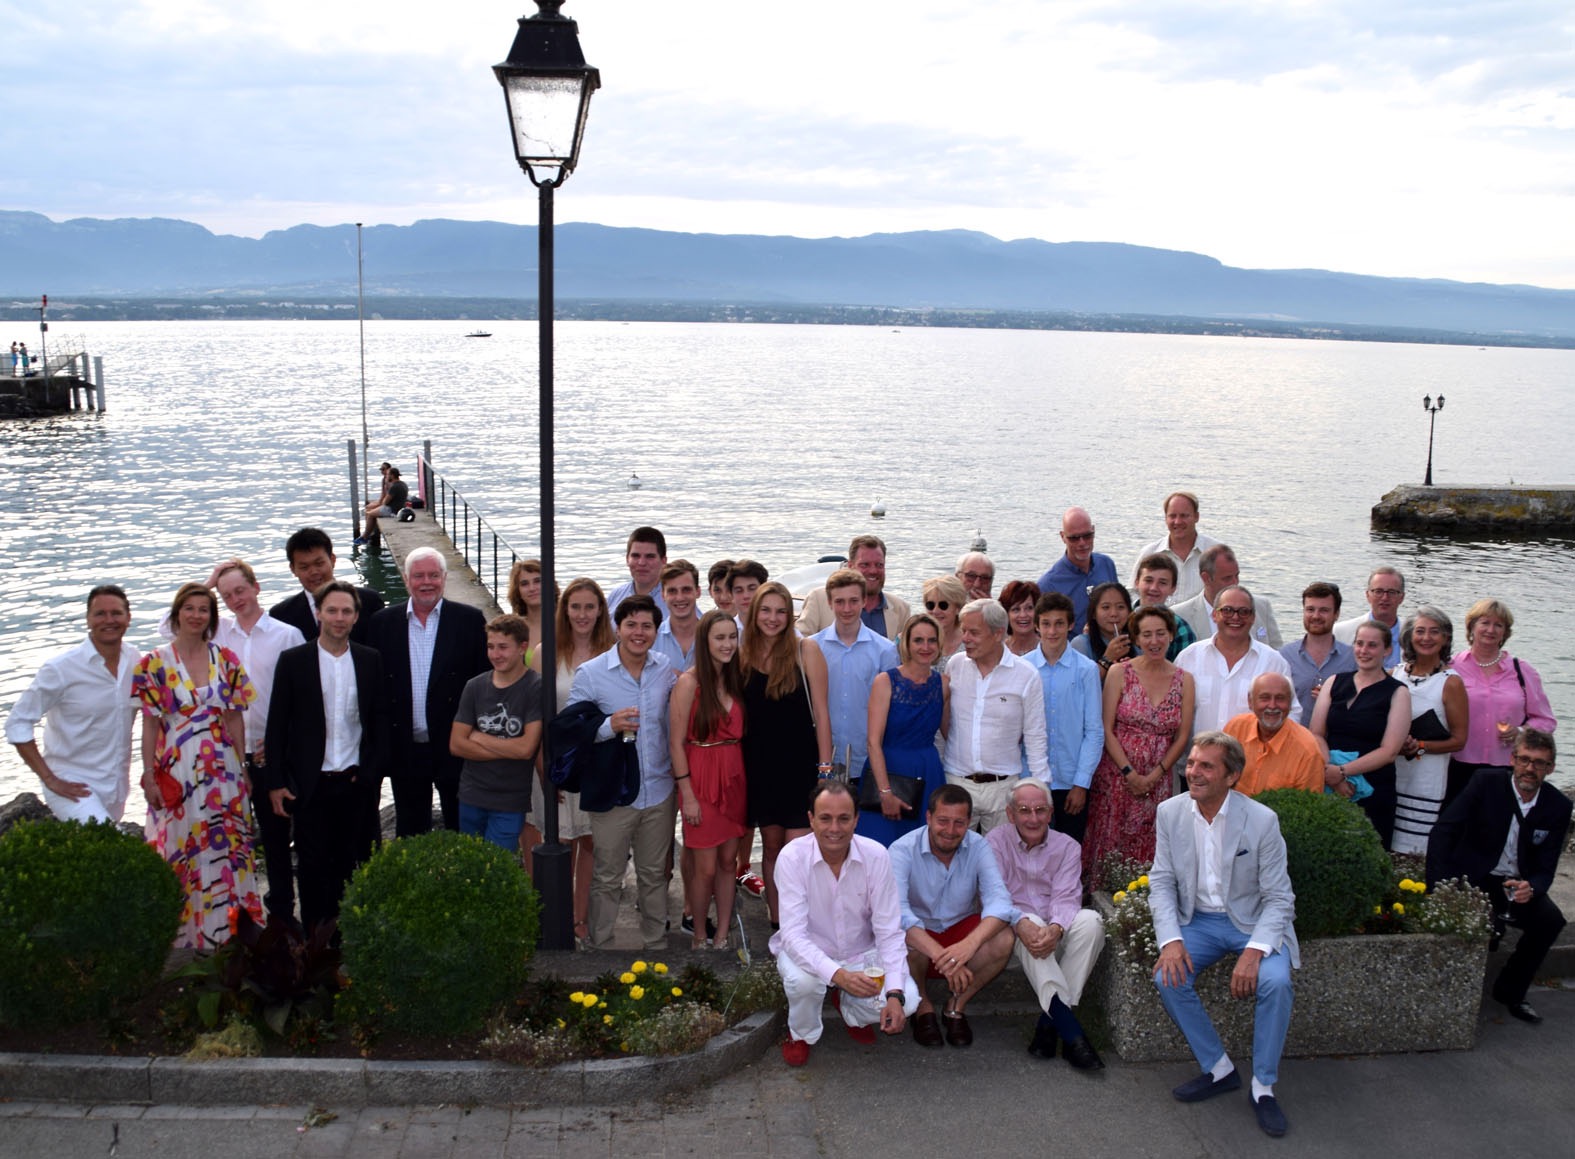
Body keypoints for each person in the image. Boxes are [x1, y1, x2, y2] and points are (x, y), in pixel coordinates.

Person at [1150, 732, 1298, 1139]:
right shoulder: (1170, 812)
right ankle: (1218, 1069)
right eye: (1192, 763)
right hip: (1197, 921)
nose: (1192, 772)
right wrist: (1172, 940)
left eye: (1205, 766)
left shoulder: (1262, 820)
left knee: (1276, 981)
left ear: (1231, 777)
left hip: (1252, 923)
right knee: (1167, 976)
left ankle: (1263, 1086)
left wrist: (1254, 952)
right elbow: (1161, 881)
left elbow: (1280, 897)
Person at [175, 559, 306, 922]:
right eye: (226, 594)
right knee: (227, 837)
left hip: (269, 753)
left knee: (277, 839)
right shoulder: (217, 634)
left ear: (256, 587)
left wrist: (284, 741)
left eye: (240, 590)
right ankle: (231, 915)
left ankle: (281, 916)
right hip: (223, 754)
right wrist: (209, 580)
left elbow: (302, 696)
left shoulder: (286, 635)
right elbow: (171, 628)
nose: (235, 599)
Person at [135, 581, 261, 948]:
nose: (196, 615)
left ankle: (231, 928)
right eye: (189, 608)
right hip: (178, 767)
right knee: (184, 844)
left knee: (228, 843)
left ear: (211, 617)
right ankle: (187, 934)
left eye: (203, 609)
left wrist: (244, 766)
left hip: (223, 767)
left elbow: (236, 717)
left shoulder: (225, 658)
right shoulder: (154, 662)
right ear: (177, 614)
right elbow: (150, 725)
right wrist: (148, 775)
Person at [264, 581, 387, 937]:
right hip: (310, 784)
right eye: (331, 610)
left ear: (356, 616)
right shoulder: (293, 661)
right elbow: (277, 726)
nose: (339, 617)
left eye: (346, 611)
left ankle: (357, 938)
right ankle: (317, 943)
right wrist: (276, 782)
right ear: (318, 613)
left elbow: (378, 721)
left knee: (357, 863)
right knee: (313, 868)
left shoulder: (369, 660)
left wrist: (371, 775)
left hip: (354, 781)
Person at [1427, 727, 1570, 1024]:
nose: (1530, 769)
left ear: (1550, 768)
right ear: (1513, 759)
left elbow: (1547, 865)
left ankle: (1511, 991)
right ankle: (1454, 996)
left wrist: (1533, 887)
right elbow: (1444, 830)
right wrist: (1440, 886)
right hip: (1476, 876)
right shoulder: (1485, 783)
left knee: (1550, 922)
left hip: (1516, 884)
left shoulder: (1558, 806)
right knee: (1483, 930)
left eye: (1539, 763)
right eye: (1525, 760)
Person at [772, 780, 918, 1066]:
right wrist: (839, 976)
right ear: (811, 819)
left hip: (860, 952)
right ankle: (802, 1033)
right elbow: (793, 936)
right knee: (803, 983)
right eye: (825, 818)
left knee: (909, 1002)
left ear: (856, 820)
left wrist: (895, 994)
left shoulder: (876, 855)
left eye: (843, 819)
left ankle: (851, 1009)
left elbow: (889, 931)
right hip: (808, 950)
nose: (834, 829)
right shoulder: (791, 857)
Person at [567, 594, 679, 952]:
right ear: (618, 628)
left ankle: (656, 944)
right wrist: (607, 726)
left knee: (653, 874)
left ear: (656, 631)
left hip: (659, 789)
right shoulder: (592, 673)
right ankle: (600, 945)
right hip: (613, 793)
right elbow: (570, 730)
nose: (639, 632)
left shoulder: (664, 669)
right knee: (607, 875)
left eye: (646, 625)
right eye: (631, 624)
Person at [367, 547, 489, 835]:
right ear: (406, 579)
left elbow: (484, 684)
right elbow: (375, 689)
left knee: (464, 829)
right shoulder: (382, 623)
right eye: (419, 575)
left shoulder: (470, 621)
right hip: (405, 746)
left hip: (455, 744)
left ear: (445, 578)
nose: (426, 582)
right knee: (410, 831)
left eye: (434, 575)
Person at [987, 779, 1106, 1070]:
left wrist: (1056, 929)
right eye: (1024, 810)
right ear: (1010, 813)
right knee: (1032, 921)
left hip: (1054, 926)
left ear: (1051, 814)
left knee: (1092, 921)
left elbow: (1067, 897)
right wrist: (1022, 923)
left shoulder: (1067, 846)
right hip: (1015, 928)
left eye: (1041, 810)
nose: (1033, 818)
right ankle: (1071, 1033)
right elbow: (995, 895)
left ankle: (1049, 1024)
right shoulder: (994, 842)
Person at [890, 784, 1016, 1048]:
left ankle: (956, 1005)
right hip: (921, 939)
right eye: (943, 821)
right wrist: (945, 957)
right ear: (928, 818)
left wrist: (967, 946)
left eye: (959, 823)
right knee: (901, 936)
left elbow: (1000, 902)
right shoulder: (901, 850)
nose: (950, 831)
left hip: (959, 931)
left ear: (969, 822)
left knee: (1004, 937)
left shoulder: (979, 845)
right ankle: (923, 1006)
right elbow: (897, 913)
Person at [740, 581, 832, 926]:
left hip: (800, 766)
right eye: (766, 610)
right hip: (758, 766)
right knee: (772, 847)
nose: (773, 618)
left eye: (780, 611)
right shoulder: (742, 653)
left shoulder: (805, 650)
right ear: (754, 613)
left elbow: (822, 713)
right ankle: (778, 922)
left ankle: (805, 923)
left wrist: (825, 770)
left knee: (800, 851)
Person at [7, 585, 140, 823]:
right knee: (111, 844)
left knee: (102, 851)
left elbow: (179, 633)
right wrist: (49, 779)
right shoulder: (61, 669)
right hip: (71, 784)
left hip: (116, 786)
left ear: (128, 618)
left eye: (116, 613)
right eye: (100, 613)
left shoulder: (135, 661)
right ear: (88, 619)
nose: (109, 620)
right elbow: (17, 724)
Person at [1082, 605, 1194, 882]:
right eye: (1146, 635)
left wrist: (1155, 775)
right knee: (1108, 841)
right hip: (1116, 776)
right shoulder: (1120, 672)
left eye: (1160, 634)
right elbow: (1106, 729)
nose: (1154, 641)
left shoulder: (1185, 680)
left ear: (1170, 635)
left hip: (1158, 780)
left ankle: (1141, 908)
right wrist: (1129, 773)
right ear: (1136, 638)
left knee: (1150, 845)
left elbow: (1182, 736)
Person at [669, 610, 750, 950]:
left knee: (727, 863)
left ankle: (721, 936)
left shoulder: (737, 679)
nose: (727, 644)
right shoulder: (689, 683)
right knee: (703, 867)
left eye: (732, 637)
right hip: (700, 778)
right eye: (719, 638)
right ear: (705, 641)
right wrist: (687, 793)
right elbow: (675, 742)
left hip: (734, 776)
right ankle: (699, 935)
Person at [941, 598, 1051, 833]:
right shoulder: (955, 665)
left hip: (1004, 788)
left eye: (974, 632)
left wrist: (1041, 788)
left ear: (998, 633)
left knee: (1001, 863)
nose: (965, 639)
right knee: (955, 860)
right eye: (964, 631)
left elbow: (1035, 735)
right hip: (957, 781)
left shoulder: (1026, 675)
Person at [546, 576, 614, 946]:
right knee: (562, 839)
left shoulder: (613, 650)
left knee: (591, 842)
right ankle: (555, 916)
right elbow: (538, 717)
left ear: (600, 610)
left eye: (590, 606)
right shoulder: (548, 652)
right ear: (565, 610)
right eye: (576, 606)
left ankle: (579, 917)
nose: (583, 614)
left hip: (596, 762)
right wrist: (545, 769)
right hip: (559, 763)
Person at [1447, 597, 1557, 807]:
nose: (1491, 630)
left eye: (1498, 625)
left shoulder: (1522, 670)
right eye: (1485, 623)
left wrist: (1521, 732)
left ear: (1505, 633)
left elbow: (1546, 721)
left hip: (1507, 766)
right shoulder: (1452, 667)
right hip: (1457, 764)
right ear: (1472, 627)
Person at [1310, 621, 1410, 848]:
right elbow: (1316, 733)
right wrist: (1330, 773)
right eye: (1359, 644)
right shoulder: (1334, 682)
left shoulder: (1398, 692)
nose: (1364, 651)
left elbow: (1389, 751)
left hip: (1374, 787)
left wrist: (1344, 772)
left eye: (1372, 646)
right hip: (1329, 781)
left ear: (1387, 651)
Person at [450, 614, 544, 853]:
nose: (495, 654)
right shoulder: (475, 686)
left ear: (523, 647)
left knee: (497, 863)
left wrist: (480, 738)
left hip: (509, 799)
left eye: (503, 647)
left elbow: (526, 750)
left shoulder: (535, 687)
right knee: (470, 866)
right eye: (491, 647)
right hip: (471, 794)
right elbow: (457, 745)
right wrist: (507, 748)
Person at [861, 612, 949, 846]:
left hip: (928, 771)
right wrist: (885, 793)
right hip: (888, 770)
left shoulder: (944, 684)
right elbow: (873, 742)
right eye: (918, 640)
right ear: (907, 644)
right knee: (880, 847)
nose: (925, 646)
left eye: (931, 640)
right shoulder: (885, 681)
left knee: (925, 849)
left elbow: (950, 734)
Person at [1023, 592, 1103, 844]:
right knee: (1030, 849)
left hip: (1071, 779)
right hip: (1031, 777)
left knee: (1069, 848)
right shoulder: (1022, 668)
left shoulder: (1086, 670)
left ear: (1071, 625)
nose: (1052, 631)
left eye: (1059, 623)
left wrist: (1081, 783)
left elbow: (1093, 731)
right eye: (1046, 623)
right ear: (1037, 626)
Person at [1391, 608, 1469, 854]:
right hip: (1394, 768)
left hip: (1427, 775)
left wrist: (1421, 747)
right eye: (1420, 631)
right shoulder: (1396, 673)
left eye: (1435, 632)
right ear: (1409, 636)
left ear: (1445, 638)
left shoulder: (1450, 682)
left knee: (1416, 848)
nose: (1426, 638)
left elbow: (1459, 740)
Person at [1175, 586, 1299, 735]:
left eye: (1243, 612)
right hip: (1197, 755)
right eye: (1227, 610)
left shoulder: (1273, 662)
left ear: (1253, 617)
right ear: (1214, 615)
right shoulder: (1189, 657)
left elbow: (1292, 712)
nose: (1235, 617)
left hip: (1251, 757)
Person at [811, 569, 898, 779]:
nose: (847, 608)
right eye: (839, 602)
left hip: (866, 761)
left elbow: (891, 709)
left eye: (853, 601)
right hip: (821, 756)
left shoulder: (884, 650)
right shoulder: (814, 647)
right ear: (829, 603)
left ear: (864, 601)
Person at [269, 527, 386, 646]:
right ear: (293, 569)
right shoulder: (281, 615)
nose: (313, 572)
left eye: (319, 563)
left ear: (332, 560)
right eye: (304, 567)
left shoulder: (368, 601)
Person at [1224, 673, 1326, 797]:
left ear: (1290, 703)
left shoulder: (1308, 750)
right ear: (1250, 702)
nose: (1272, 705)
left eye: (1280, 698)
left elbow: (1308, 806)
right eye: (1265, 698)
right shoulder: (1235, 728)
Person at [797, 534, 912, 639]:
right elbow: (798, 645)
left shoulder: (901, 609)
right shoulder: (818, 599)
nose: (873, 571)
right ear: (851, 566)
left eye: (879, 565)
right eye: (865, 565)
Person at [1170, 545, 1283, 650]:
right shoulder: (1179, 615)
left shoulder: (1261, 606)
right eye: (1227, 578)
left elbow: (1277, 651)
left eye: (1236, 576)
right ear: (1206, 578)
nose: (1235, 583)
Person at [1279, 582, 1356, 726]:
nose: (1316, 616)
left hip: (1337, 741)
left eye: (1324, 610)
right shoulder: (1284, 656)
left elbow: (1363, 705)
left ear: (1337, 614)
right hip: (1293, 740)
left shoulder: (1352, 658)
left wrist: (1335, 701)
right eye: (1310, 609)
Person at [1036, 506, 1119, 634]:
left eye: (1087, 536)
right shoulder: (1048, 585)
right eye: (1074, 538)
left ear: (1094, 531)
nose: (1082, 543)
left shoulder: (1106, 565)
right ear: (1063, 537)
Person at [1130, 491, 1220, 604]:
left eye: (1184, 516)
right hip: (1158, 620)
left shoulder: (1217, 553)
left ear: (1196, 517)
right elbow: (1133, 593)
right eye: (1172, 516)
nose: (1177, 522)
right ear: (1165, 518)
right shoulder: (1149, 553)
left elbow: (1228, 593)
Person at [1333, 567, 1406, 669]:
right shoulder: (1341, 632)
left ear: (1401, 597)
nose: (1385, 598)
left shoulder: (1413, 634)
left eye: (1391, 592)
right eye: (1378, 591)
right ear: (1368, 595)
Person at [1132, 554, 1198, 660]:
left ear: (1173, 589)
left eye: (1162, 583)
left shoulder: (1181, 629)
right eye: (1148, 580)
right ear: (1136, 583)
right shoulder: (1121, 618)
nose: (1154, 588)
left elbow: (1185, 670)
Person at [1071, 581, 1134, 677]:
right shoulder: (1081, 644)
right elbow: (1079, 684)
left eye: (1120, 607)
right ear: (1093, 613)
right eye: (1106, 607)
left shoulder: (1137, 643)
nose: (1114, 613)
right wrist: (1107, 659)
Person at [606, 526, 670, 620]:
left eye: (650, 556)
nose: (642, 563)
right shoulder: (615, 596)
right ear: (627, 559)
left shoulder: (675, 602)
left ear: (663, 561)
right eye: (636, 556)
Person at [653, 560, 703, 673]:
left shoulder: (715, 634)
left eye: (686, 590)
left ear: (698, 592)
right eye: (672, 591)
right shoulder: (652, 640)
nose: (679, 598)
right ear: (663, 595)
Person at [506, 558, 548, 670]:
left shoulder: (565, 624)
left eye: (537, 581)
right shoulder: (513, 630)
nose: (532, 588)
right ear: (517, 590)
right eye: (524, 584)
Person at [919, 574, 967, 672]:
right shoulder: (913, 641)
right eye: (930, 605)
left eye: (943, 605)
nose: (936, 611)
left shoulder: (969, 642)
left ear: (958, 608)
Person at [356, 465, 408, 545]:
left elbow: (385, 502)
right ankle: (369, 534)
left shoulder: (394, 487)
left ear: (392, 476)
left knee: (369, 514)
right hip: (399, 508)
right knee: (370, 511)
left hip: (392, 510)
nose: (386, 476)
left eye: (388, 475)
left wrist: (387, 487)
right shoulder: (403, 484)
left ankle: (365, 537)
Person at [998, 579, 1042, 657]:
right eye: (1016, 609)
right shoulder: (997, 650)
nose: (1023, 615)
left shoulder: (1048, 649)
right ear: (1006, 614)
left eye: (1029, 608)